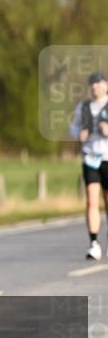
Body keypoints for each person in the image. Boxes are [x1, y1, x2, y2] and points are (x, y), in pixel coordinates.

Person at [71, 72, 108, 260]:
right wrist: (79, 135)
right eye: (92, 84)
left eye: (98, 83)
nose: (95, 87)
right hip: (90, 158)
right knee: (91, 200)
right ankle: (93, 243)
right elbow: (74, 127)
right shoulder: (83, 107)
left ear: (106, 86)